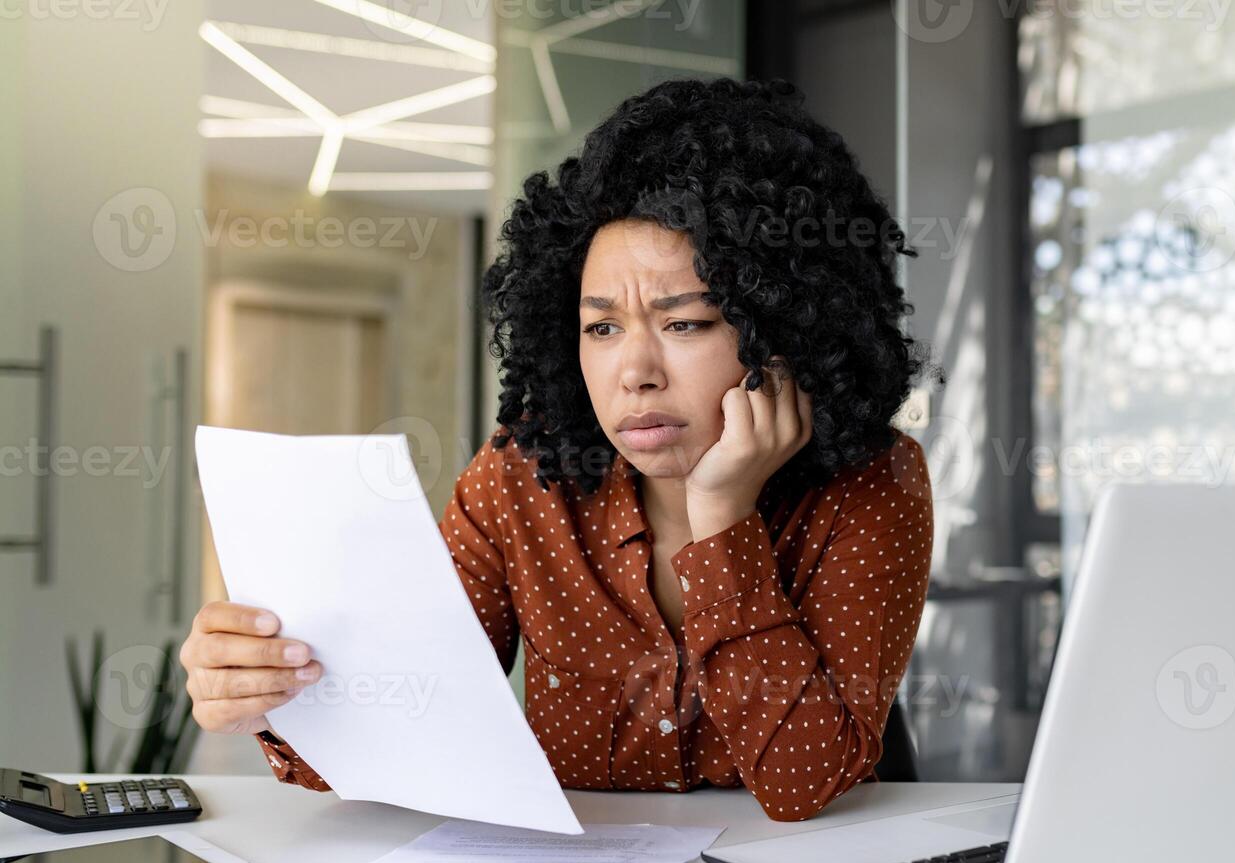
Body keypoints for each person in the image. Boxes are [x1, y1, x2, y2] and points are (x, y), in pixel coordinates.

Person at [179, 77, 944, 822]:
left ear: (784, 329)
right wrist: (269, 698)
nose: (635, 373)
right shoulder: (519, 481)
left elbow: (803, 787)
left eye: (686, 323)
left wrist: (722, 516)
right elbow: (397, 727)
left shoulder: (874, 485)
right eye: (602, 328)